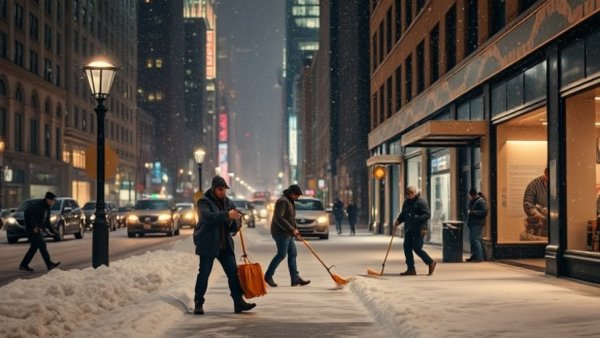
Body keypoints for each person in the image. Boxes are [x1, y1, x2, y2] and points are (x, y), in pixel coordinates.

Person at [193, 176, 256, 315]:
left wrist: (237, 220)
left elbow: (233, 228)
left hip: (224, 245)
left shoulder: (228, 202)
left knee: (233, 273)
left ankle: (238, 302)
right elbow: (207, 217)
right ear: (214, 189)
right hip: (208, 243)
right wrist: (227, 215)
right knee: (204, 273)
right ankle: (198, 302)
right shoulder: (204, 201)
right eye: (220, 189)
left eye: (225, 190)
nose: (223, 192)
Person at [264, 184, 310, 287]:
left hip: (288, 232)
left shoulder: (290, 201)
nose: (297, 197)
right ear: (292, 193)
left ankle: (295, 278)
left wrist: (295, 229)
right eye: (297, 195)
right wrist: (291, 229)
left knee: (293, 253)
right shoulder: (283, 201)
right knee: (281, 254)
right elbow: (279, 218)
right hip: (280, 232)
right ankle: (268, 276)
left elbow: (290, 218)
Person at [393, 186, 436, 276]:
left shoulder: (421, 202)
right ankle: (411, 269)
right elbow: (403, 214)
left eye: (410, 193)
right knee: (407, 248)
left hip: (419, 229)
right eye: (407, 194)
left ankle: (430, 262)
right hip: (409, 228)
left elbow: (427, 214)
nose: (408, 195)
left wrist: (417, 218)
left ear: (415, 193)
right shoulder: (406, 203)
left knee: (417, 248)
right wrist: (398, 221)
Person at [19, 192, 61, 272]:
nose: (53, 202)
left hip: (38, 229)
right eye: (52, 200)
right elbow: (27, 213)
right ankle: (49, 264)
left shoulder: (47, 208)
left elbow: (47, 222)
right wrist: (34, 226)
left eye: (53, 201)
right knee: (42, 245)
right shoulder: (38, 205)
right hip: (32, 229)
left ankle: (23, 265)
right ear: (47, 199)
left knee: (34, 248)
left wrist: (53, 231)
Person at [523, 168, 548, 237]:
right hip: (539, 226)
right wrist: (539, 215)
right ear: (545, 174)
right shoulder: (534, 185)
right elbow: (527, 204)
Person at [466, 189, 488, 262]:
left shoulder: (480, 201)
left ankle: (479, 257)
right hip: (473, 223)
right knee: (476, 239)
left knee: (475, 239)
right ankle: (479, 256)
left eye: (469, 195)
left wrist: (473, 212)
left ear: (472, 195)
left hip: (477, 223)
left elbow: (484, 212)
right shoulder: (473, 201)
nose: (468, 197)